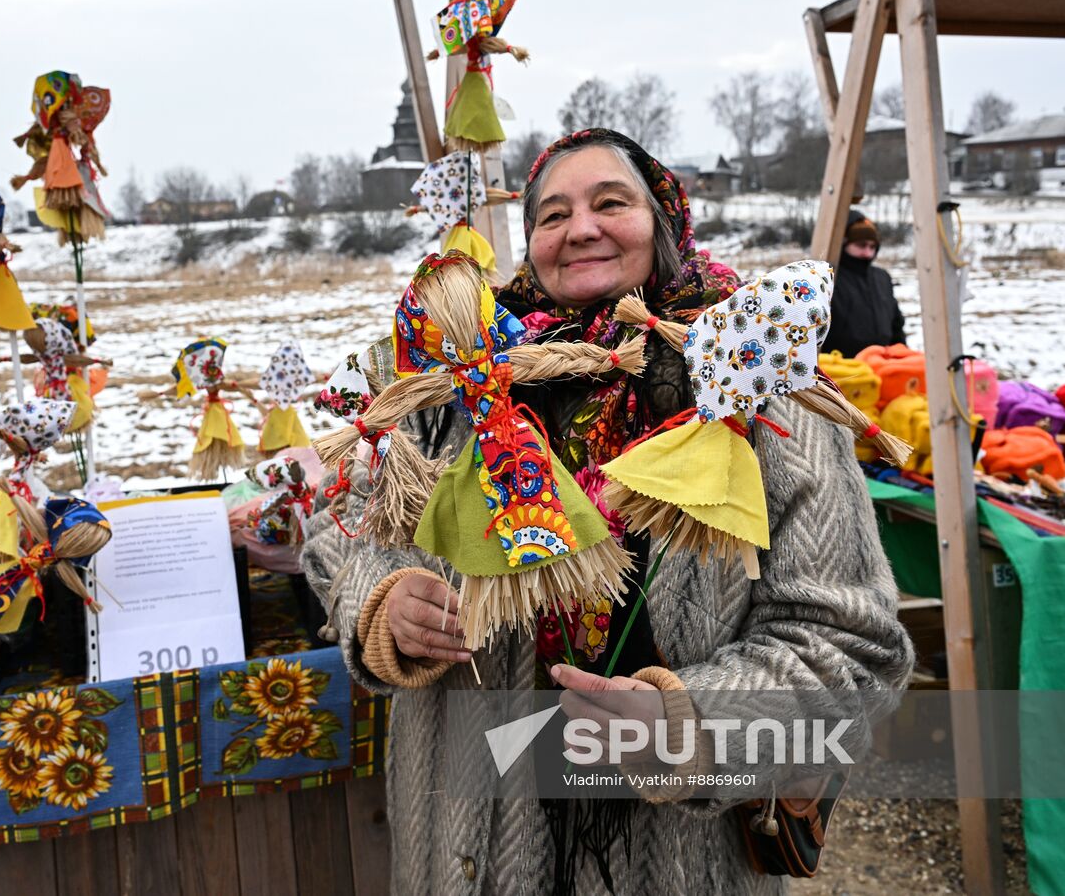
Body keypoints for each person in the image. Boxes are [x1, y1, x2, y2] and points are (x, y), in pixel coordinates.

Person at [303, 129, 913, 894]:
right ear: (531, 242)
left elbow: (852, 643)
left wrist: (692, 723)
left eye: (611, 202)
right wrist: (380, 603)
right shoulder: (454, 371)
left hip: (676, 861)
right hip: (463, 848)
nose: (581, 228)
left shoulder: (753, 380)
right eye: (553, 214)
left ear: (664, 221)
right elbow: (340, 520)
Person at [820, 209, 907, 357]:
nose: (867, 253)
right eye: (861, 245)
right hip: (840, 364)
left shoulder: (882, 277)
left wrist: (902, 354)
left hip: (881, 362)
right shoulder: (828, 277)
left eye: (872, 247)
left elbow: (896, 325)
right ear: (844, 244)